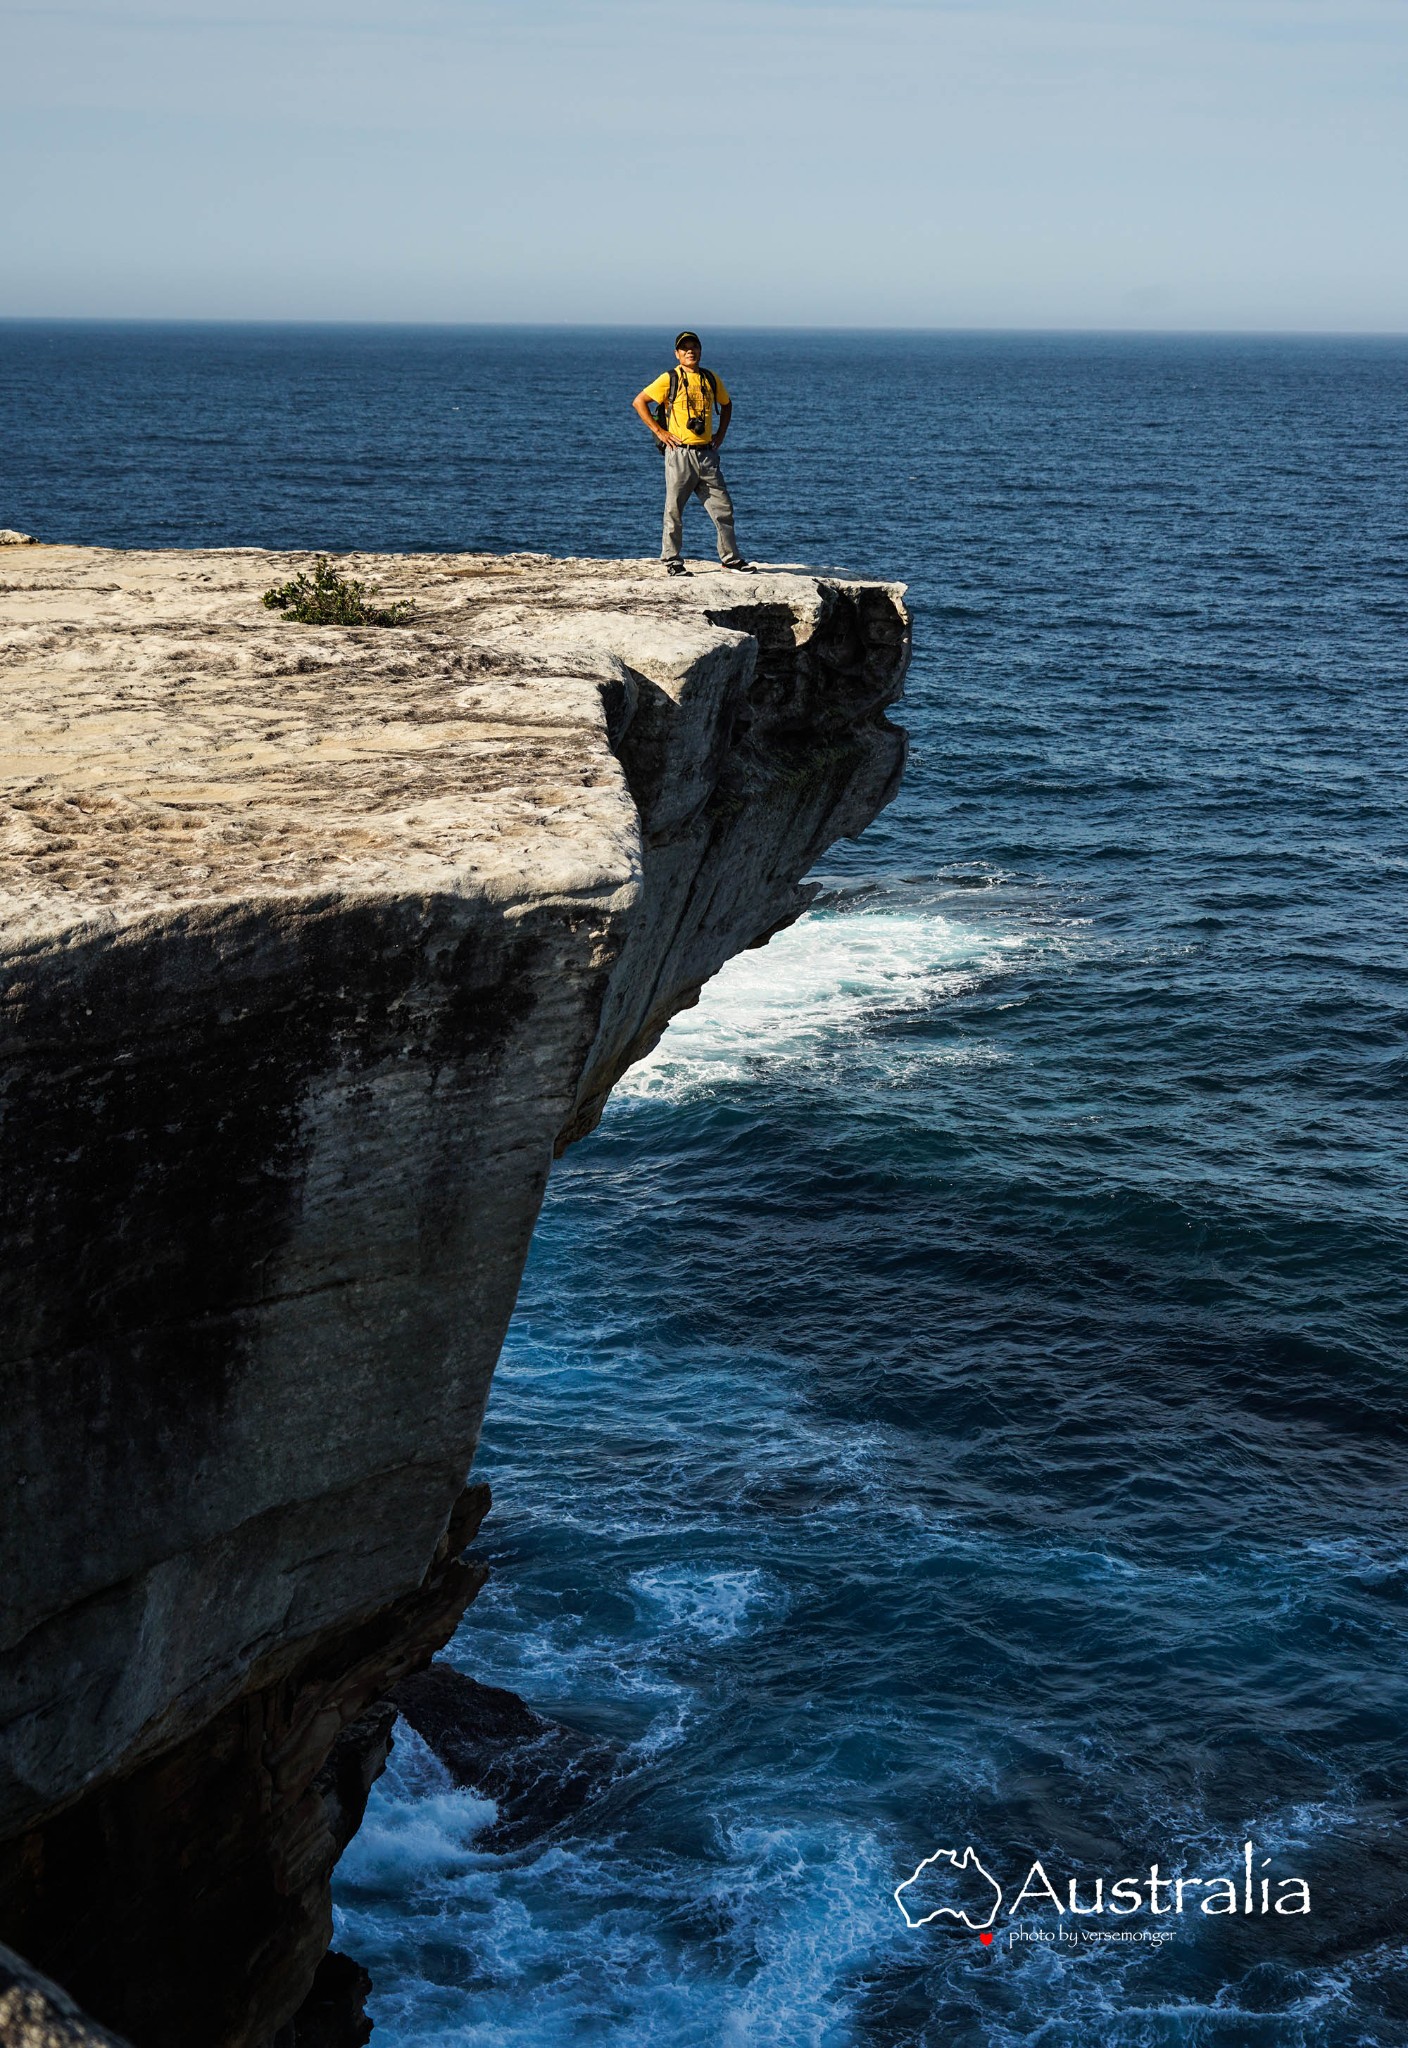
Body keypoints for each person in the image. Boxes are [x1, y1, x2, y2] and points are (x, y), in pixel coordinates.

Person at [632, 332, 751, 575]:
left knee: (723, 508)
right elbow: (639, 402)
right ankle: (672, 560)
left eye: (694, 347)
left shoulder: (710, 378)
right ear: (677, 354)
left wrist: (721, 434)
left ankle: (730, 558)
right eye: (684, 348)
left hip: (707, 454)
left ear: (700, 350)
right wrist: (660, 432)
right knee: (674, 509)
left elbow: (727, 405)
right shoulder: (670, 378)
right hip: (680, 454)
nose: (690, 351)